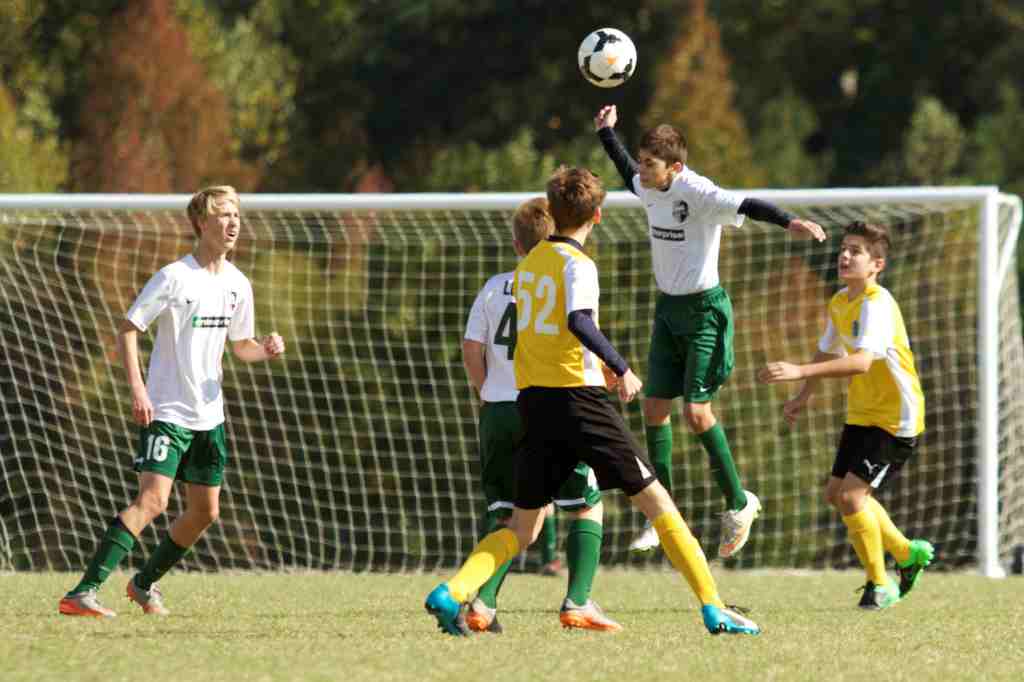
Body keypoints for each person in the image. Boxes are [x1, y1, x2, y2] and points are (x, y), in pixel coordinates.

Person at [425, 166, 760, 637]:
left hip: (534, 404)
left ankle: (454, 591)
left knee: (523, 528)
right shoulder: (578, 265)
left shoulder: (529, 265)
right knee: (660, 504)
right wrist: (621, 368)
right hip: (579, 403)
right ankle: (713, 607)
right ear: (598, 216)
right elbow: (580, 321)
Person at [594, 104, 827, 558]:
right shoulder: (647, 184)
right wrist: (607, 134)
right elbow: (625, 171)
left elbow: (746, 205)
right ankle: (663, 514)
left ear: (675, 168)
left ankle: (739, 503)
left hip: (705, 313)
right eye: (641, 161)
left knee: (696, 415)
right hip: (668, 312)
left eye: (650, 164)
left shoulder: (697, 191)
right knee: (655, 408)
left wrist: (789, 222)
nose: (641, 171)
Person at [58, 186, 286, 617]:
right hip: (167, 413)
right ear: (202, 222)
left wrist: (266, 350)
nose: (233, 222)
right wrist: (139, 389)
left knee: (205, 511)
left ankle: (143, 584)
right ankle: (82, 592)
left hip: (209, 416)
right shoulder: (174, 276)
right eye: (223, 214)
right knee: (154, 501)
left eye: (236, 214)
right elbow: (128, 328)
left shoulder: (239, 284)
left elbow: (241, 346)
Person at [756, 221, 933, 609]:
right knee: (836, 495)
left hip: (895, 418)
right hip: (862, 412)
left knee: (853, 498)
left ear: (877, 265)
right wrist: (803, 395)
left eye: (856, 251)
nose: (845, 255)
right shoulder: (840, 301)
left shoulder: (877, 304)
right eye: (844, 248)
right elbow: (828, 348)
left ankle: (879, 584)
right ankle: (907, 553)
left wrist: (801, 371)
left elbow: (862, 362)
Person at [460, 196, 613, 633]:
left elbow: (472, 347)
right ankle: (577, 601)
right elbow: (577, 336)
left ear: (515, 243)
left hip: (498, 411)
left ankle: (483, 602)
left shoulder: (493, 286)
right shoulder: (557, 281)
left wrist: (487, 392)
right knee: (586, 505)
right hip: (548, 404)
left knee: (508, 515)